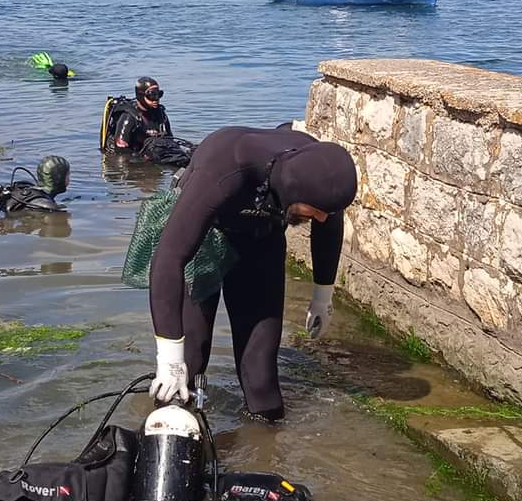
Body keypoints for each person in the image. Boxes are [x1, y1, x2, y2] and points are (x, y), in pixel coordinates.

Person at [147, 126, 358, 421]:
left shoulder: (319, 168)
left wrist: (323, 296)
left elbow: (329, 226)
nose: (321, 218)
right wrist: (169, 356)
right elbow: (168, 259)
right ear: (294, 189)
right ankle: (169, 428)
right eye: (315, 210)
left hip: (261, 241)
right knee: (189, 363)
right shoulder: (225, 168)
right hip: (204, 239)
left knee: (261, 379)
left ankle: (263, 442)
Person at [108, 77, 171, 153]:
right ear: (140, 95)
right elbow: (120, 149)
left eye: (159, 94)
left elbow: (170, 139)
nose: (156, 99)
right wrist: (140, 158)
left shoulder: (160, 114)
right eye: (152, 95)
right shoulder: (129, 116)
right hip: (134, 155)